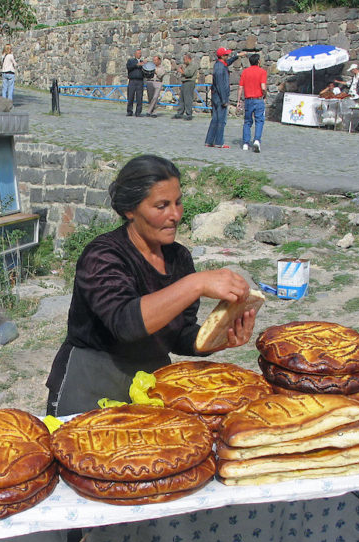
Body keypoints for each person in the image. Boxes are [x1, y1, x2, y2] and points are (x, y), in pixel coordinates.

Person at [45, 155, 257, 417]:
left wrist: (217, 339)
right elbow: (125, 323)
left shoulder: (178, 258)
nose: (175, 215)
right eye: (161, 206)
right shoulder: (102, 255)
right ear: (130, 210)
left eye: (178, 203)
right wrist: (196, 283)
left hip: (150, 384)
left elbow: (178, 334)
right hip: (91, 382)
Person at [205, 47, 247, 148]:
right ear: (222, 56)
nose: (227, 56)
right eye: (226, 55)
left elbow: (228, 62)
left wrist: (237, 56)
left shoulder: (220, 64)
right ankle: (219, 142)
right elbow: (220, 85)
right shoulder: (220, 68)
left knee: (215, 119)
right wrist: (224, 100)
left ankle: (209, 140)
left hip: (217, 95)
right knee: (221, 120)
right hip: (220, 97)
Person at [238, 53, 267, 153]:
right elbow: (263, 87)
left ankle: (245, 143)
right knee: (259, 121)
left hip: (248, 99)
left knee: (247, 121)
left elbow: (240, 87)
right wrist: (265, 94)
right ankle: (257, 141)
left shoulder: (245, 72)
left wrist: (238, 100)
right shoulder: (262, 72)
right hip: (258, 99)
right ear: (258, 61)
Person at [173, 53, 198, 120]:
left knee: (188, 98)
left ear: (188, 59)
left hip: (189, 82)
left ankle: (189, 114)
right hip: (184, 82)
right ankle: (180, 113)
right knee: (182, 99)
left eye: (185, 59)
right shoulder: (186, 66)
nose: (184, 61)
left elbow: (189, 74)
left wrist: (182, 71)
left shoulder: (193, 65)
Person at [126, 49, 145, 117]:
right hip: (132, 80)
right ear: (135, 54)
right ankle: (129, 111)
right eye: (138, 53)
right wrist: (137, 65)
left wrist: (145, 65)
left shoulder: (143, 62)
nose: (139, 54)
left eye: (140, 53)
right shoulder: (131, 61)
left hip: (140, 81)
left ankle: (138, 112)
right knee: (130, 96)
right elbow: (129, 67)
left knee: (139, 97)